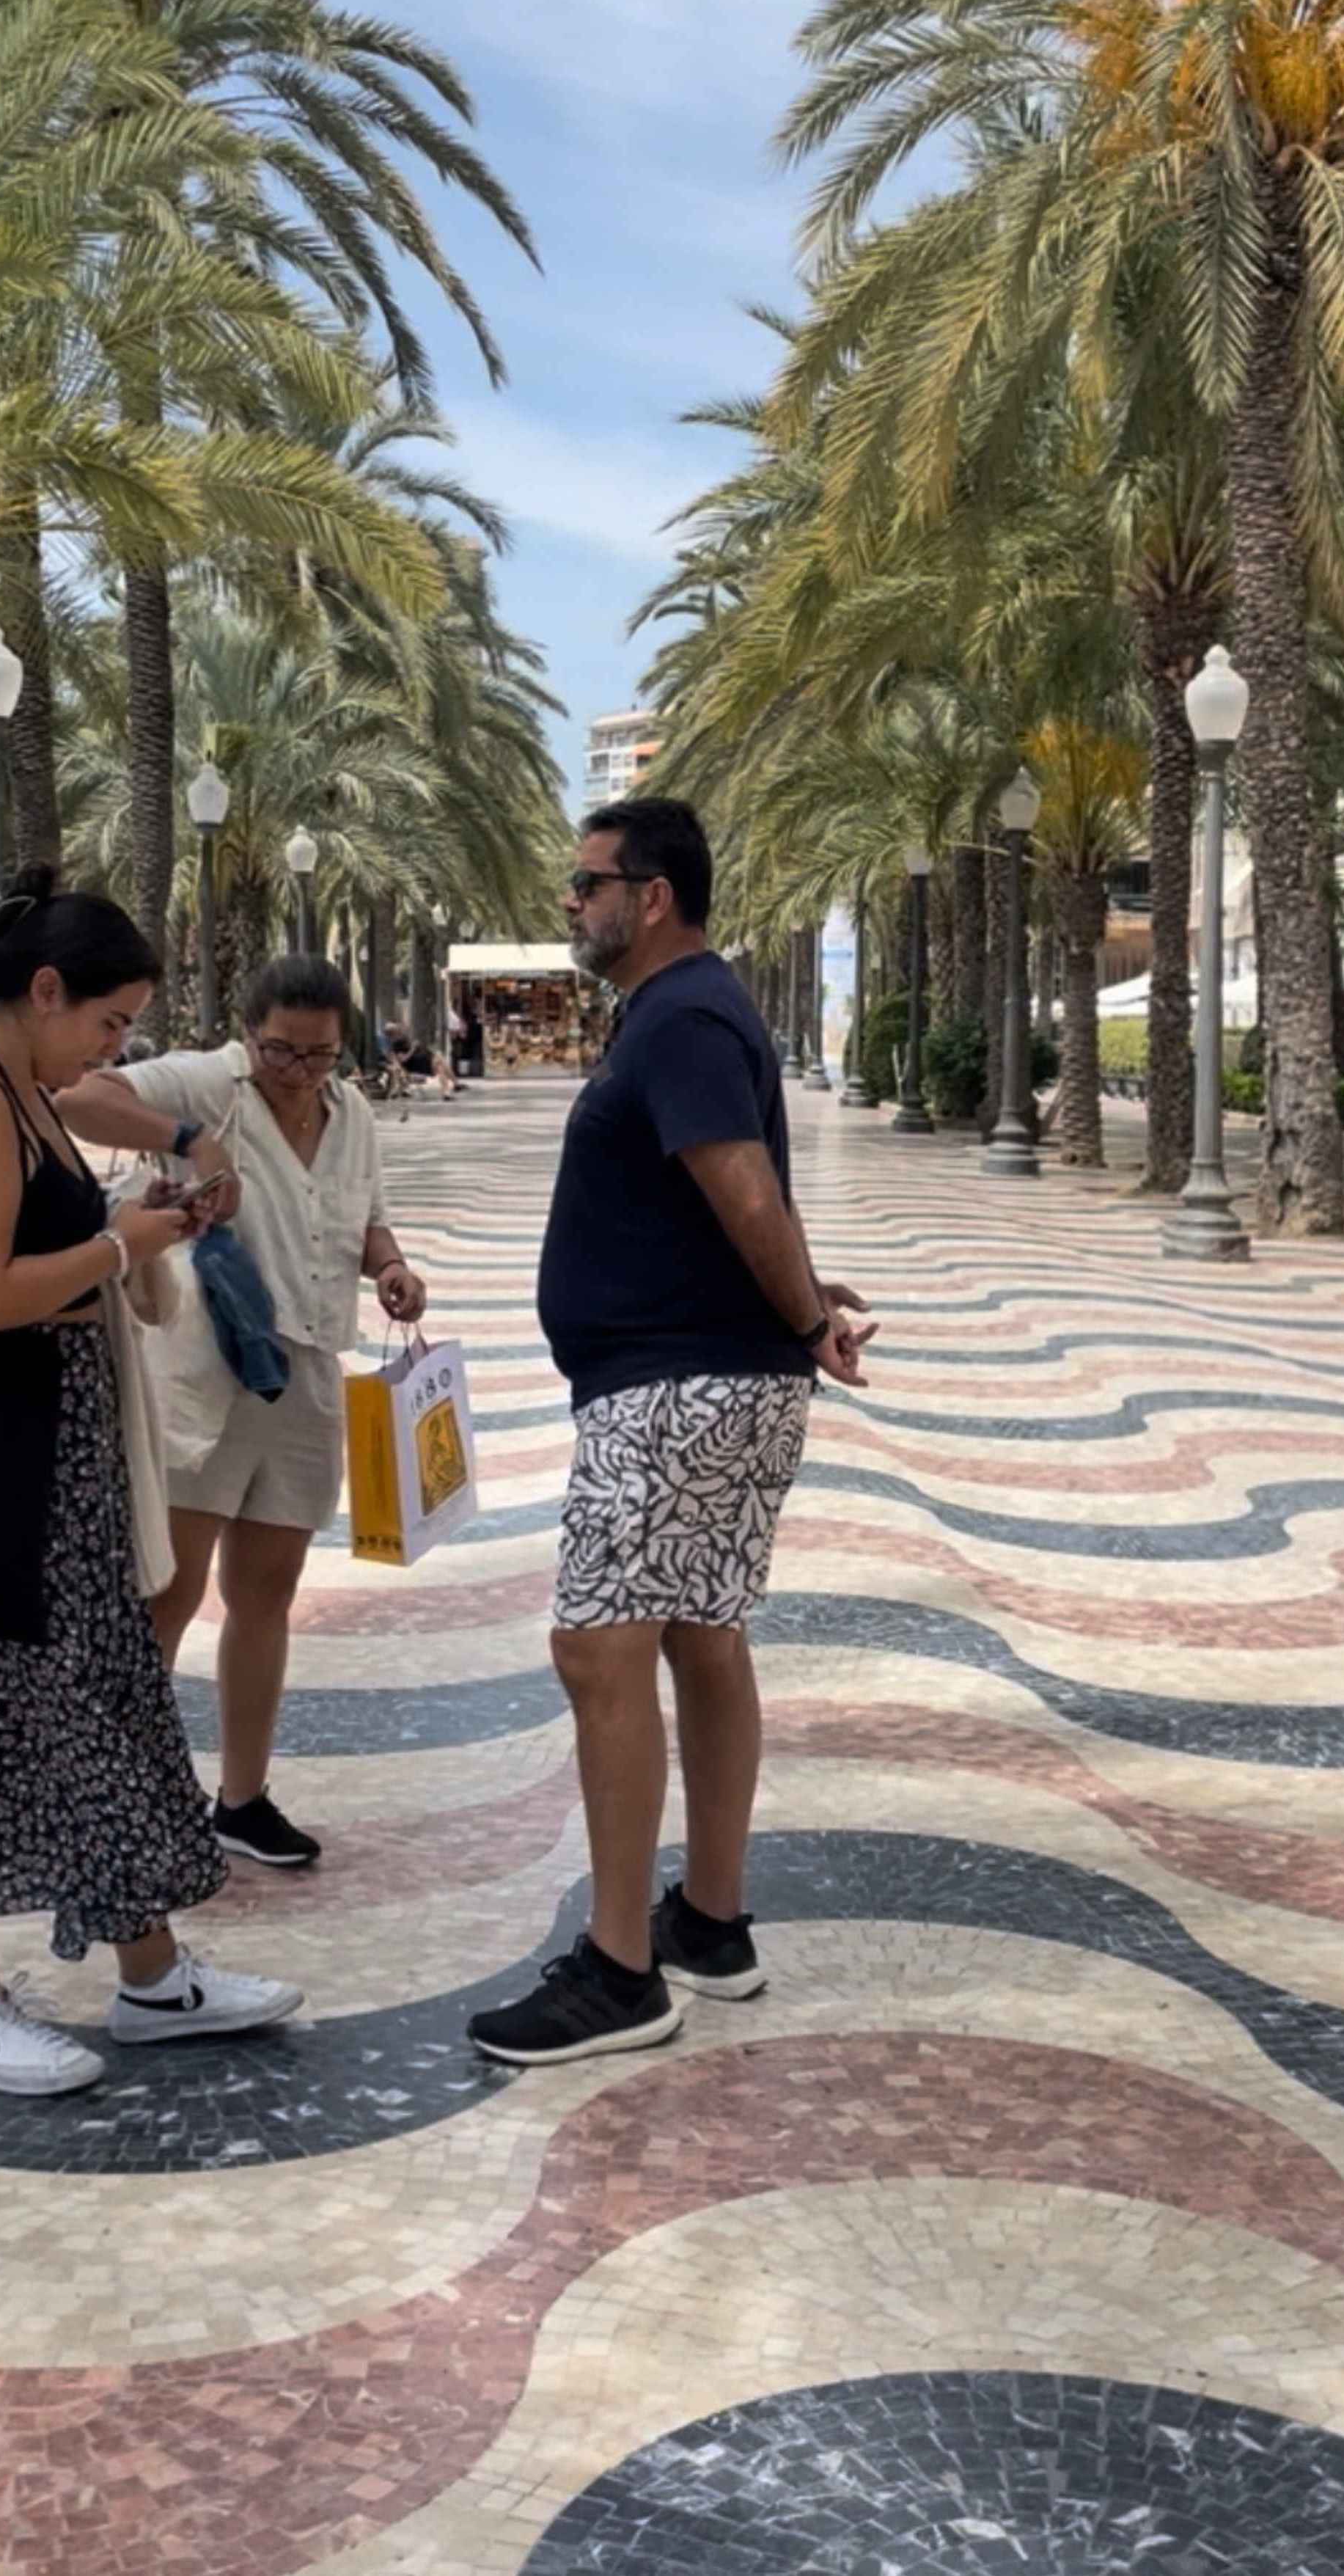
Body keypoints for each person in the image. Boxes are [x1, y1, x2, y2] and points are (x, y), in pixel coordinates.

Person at [0, 871, 302, 2098]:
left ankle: (152, 1975)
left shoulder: (24, 1087)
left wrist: (168, 1163)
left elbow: (73, 1177)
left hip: (44, 1470)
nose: (119, 1049)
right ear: (42, 991)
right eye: (110, 1021)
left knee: (103, 1708)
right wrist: (129, 1241)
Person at [468, 797, 875, 2069]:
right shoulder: (685, 1010)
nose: (571, 902)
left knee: (596, 1650)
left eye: (587, 884)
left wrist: (805, 1307)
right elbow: (731, 1195)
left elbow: (742, 1181)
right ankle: (705, 1921)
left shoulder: (684, 1012)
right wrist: (800, 1304)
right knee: (701, 1632)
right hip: (705, 1376)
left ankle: (618, 1971)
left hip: (674, 1391)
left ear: (651, 895)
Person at [57, 954, 430, 1870]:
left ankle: (243, 1796)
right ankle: (125, 1794)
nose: (298, 1071)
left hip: (304, 1374)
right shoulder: (205, 1079)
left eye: (319, 1056)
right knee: (171, 1592)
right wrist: (191, 1139)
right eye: (281, 1051)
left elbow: (365, 1217)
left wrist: (389, 1267)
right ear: (247, 1029)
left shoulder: (353, 1113)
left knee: (266, 1593)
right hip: (202, 1373)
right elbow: (76, 1095)